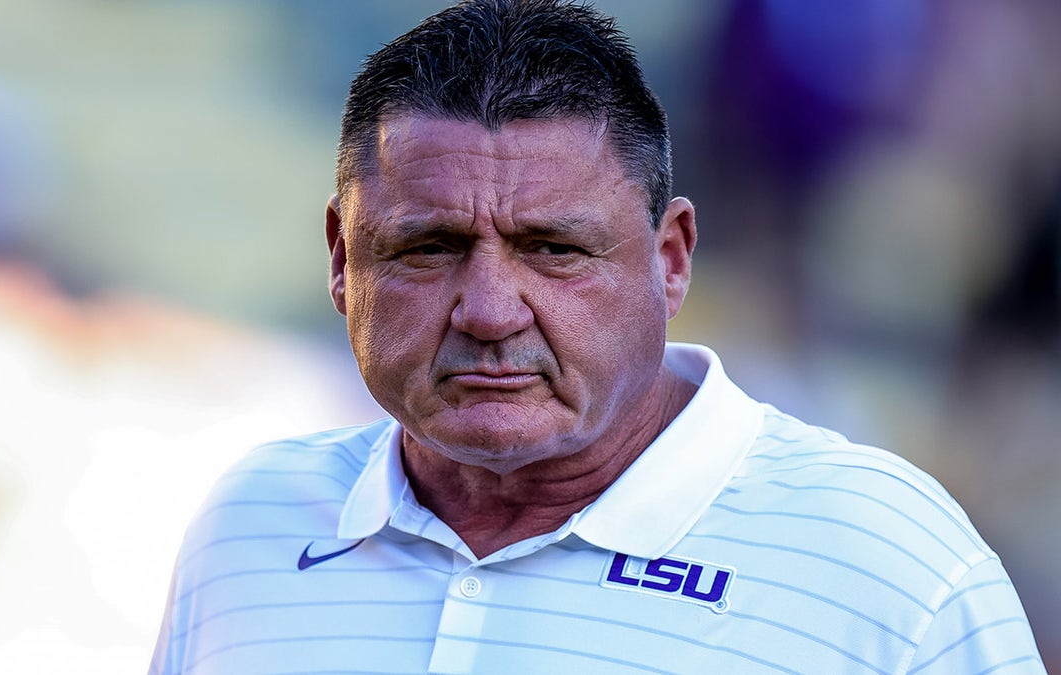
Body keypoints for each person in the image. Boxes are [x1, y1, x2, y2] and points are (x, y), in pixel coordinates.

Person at [149, 1, 1045, 672]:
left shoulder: (883, 559)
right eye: (429, 247)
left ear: (672, 261)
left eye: (555, 250)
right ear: (344, 259)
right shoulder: (254, 525)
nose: (491, 310)